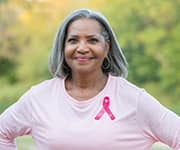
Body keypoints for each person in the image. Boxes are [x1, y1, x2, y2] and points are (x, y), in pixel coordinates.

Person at [0, 8, 179, 150]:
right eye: (73, 40)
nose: (82, 48)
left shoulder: (134, 100)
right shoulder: (39, 97)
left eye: (92, 40)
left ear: (106, 48)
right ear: (63, 47)